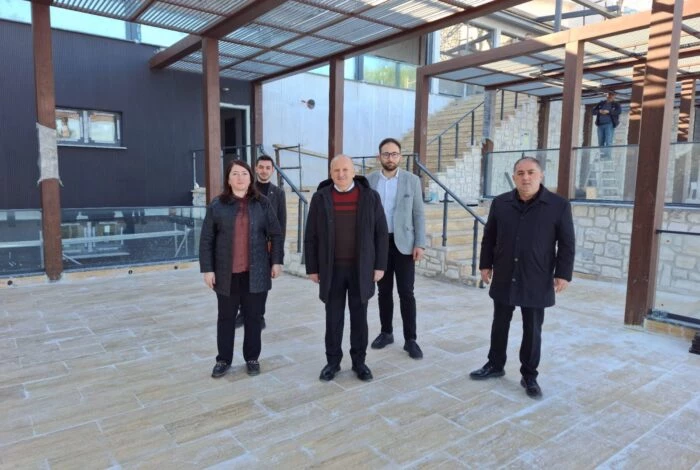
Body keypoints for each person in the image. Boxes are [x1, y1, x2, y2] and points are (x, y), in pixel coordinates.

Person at [469, 157, 575, 398]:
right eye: (520, 173)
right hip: (505, 273)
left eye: (531, 172)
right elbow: (489, 236)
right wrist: (485, 264)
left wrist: (563, 274)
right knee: (499, 322)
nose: (525, 177)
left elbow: (567, 243)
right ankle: (495, 364)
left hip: (537, 275)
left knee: (532, 328)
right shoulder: (501, 203)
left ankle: (529, 375)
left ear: (541, 175)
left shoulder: (558, 205)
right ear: (514, 176)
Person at [305, 155, 389, 382]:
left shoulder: (370, 197)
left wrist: (380, 265)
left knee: (359, 318)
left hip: (360, 270)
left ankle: (359, 362)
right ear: (330, 173)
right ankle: (332, 362)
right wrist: (312, 267)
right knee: (333, 318)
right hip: (331, 270)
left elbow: (381, 233)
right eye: (336, 170)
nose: (341, 174)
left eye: (345, 170)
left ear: (354, 172)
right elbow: (311, 235)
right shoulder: (320, 198)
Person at [199, 159, 283, 379]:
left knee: (253, 318)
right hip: (226, 274)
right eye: (235, 174)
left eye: (244, 174)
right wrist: (208, 269)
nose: (240, 178)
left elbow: (276, 233)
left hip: (256, 273)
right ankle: (223, 360)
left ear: (250, 178)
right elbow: (206, 239)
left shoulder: (262, 203)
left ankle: (252, 358)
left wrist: (276, 261)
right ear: (228, 179)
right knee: (226, 318)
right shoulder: (217, 205)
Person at [367, 138, 426, 359]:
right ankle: (386, 332)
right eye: (386, 154)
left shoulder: (412, 180)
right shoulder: (369, 181)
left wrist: (420, 243)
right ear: (379, 156)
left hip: (404, 244)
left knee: (406, 292)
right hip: (378, 244)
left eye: (394, 154)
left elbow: (418, 213)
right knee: (383, 291)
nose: (390, 158)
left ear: (400, 156)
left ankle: (411, 339)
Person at [235, 154, 287, 330]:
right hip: (245, 244)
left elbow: (281, 225)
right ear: (256, 168)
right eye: (261, 167)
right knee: (243, 279)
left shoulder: (278, 193)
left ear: (272, 171)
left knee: (262, 284)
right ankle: (243, 313)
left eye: (268, 168)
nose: (264, 171)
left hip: (267, 246)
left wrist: (277, 257)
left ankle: (259, 315)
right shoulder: (247, 189)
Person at [592, 91, 621, 158]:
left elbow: (618, 112)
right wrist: (599, 111)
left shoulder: (616, 104)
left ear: (614, 96)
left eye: (612, 95)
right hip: (600, 125)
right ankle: (602, 156)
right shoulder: (601, 103)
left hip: (609, 124)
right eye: (609, 95)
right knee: (600, 141)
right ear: (606, 96)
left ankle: (608, 156)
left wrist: (608, 112)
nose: (610, 96)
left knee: (608, 141)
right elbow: (593, 112)